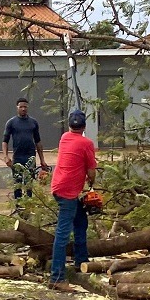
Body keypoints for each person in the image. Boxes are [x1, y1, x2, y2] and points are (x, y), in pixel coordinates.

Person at [49, 109, 97, 290]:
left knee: (81, 221)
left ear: (70, 126)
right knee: (62, 234)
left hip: (59, 187)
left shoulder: (64, 138)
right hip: (68, 193)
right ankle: (57, 278)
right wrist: (91, 183)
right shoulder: (86, 143)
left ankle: (81, 260)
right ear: (84, 126)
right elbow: (91, 171)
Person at [1, 97, 48, 209]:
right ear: (17, 107)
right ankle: (19, 207)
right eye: (21, 107)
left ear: (28, 107)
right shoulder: (11, 123)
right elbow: (5, 141)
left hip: (30, 158)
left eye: (25, 107)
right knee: (17, 184)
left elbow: (38, 142)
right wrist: (6, 157)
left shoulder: (33, 123)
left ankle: (28, 206)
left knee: (29, 184)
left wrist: (42, 160)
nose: (23, 109)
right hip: (17, 158)